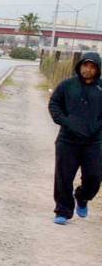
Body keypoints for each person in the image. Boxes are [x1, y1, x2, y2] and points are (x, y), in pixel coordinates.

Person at [47, 51, 102, 224]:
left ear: (98, 69)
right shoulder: (67, 85)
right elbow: (54, 104)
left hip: (94, 141)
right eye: (85, 65)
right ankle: (63, 210)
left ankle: (82, 197)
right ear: (80, 66)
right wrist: (66, 122)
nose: (88, 69)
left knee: (94, 177)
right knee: (63, 176)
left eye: (92, 67)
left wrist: (96, 127)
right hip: (68, 139)